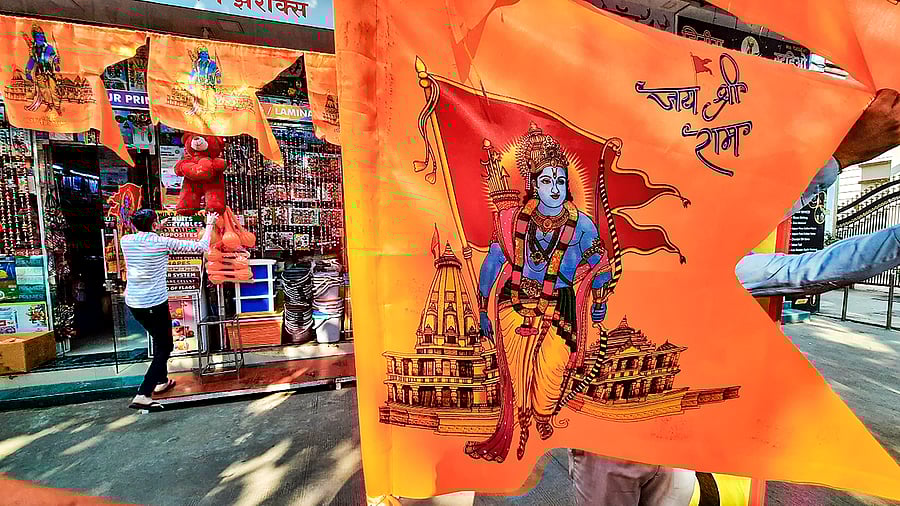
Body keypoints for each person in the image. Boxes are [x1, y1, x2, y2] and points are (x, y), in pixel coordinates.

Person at [569, 89, 900, 506]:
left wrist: (845, 162)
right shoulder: (586, 252)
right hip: (605, 443)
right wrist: (842, 158)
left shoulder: (706, 256)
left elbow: (806, 268)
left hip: (674, 442)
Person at [466, 123, 613, 463]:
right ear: (533, 184)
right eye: (547, 181)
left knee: (552, 371)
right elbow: (493, 260)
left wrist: (599, 304)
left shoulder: (582, 225)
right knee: (515, 374)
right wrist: (484, 306)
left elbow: (601, 266)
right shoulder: (513, 220)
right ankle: (517, 429)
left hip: (560, 305)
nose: (555, 189)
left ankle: (544, 414)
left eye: (561, 181)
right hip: (513, 303)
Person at [122, 209, 217, 411]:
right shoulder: (162, 243)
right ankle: (143, 393)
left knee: (158, 339)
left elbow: (145, 237)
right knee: (165, 347)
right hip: (154, 303)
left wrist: (156, 228)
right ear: (154, 224)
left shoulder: (126, 241)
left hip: (134, 302)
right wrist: (209, 224)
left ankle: (162, 381)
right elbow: (202, 246)